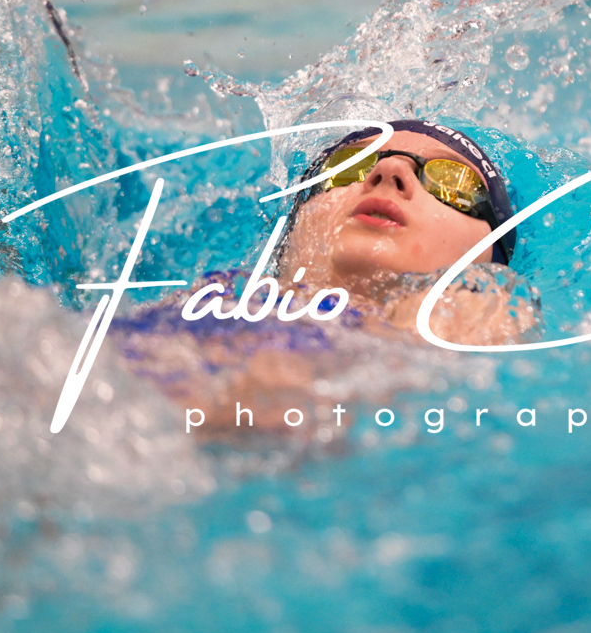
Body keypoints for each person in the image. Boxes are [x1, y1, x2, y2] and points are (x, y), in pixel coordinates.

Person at [114, 118, 539, 441]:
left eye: (452, 182)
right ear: (291, 236)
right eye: (346, 167)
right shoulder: (219, 292)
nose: (389, 171)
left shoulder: (482, 307)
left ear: (491, 254)